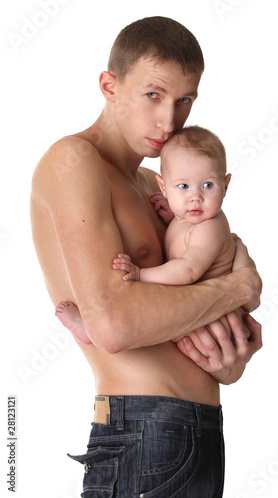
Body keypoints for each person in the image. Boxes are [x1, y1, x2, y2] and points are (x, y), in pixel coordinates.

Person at [30, 16, 262, 498]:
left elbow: (186, 310)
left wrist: (228, 360)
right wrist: (236, 289)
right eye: (153, 95)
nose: (169, 122)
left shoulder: (160, 191)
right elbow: (116, 325)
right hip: (142, 431)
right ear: (109, 85)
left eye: (184, 100)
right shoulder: (73, 161)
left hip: (200, 431)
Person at [56, 125, 236, 351]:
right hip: (199, 313)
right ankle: (95, 328)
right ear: (164, 187)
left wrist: (141, 274)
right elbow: (186, 243)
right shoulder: (190, 221)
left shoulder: (210, 227)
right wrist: (174, 219)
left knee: (152, 315)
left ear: (226, 185)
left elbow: (188, 270)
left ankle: (92, 330)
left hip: (210, 321)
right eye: (183, 186)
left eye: (208, 185)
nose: (195, 198)